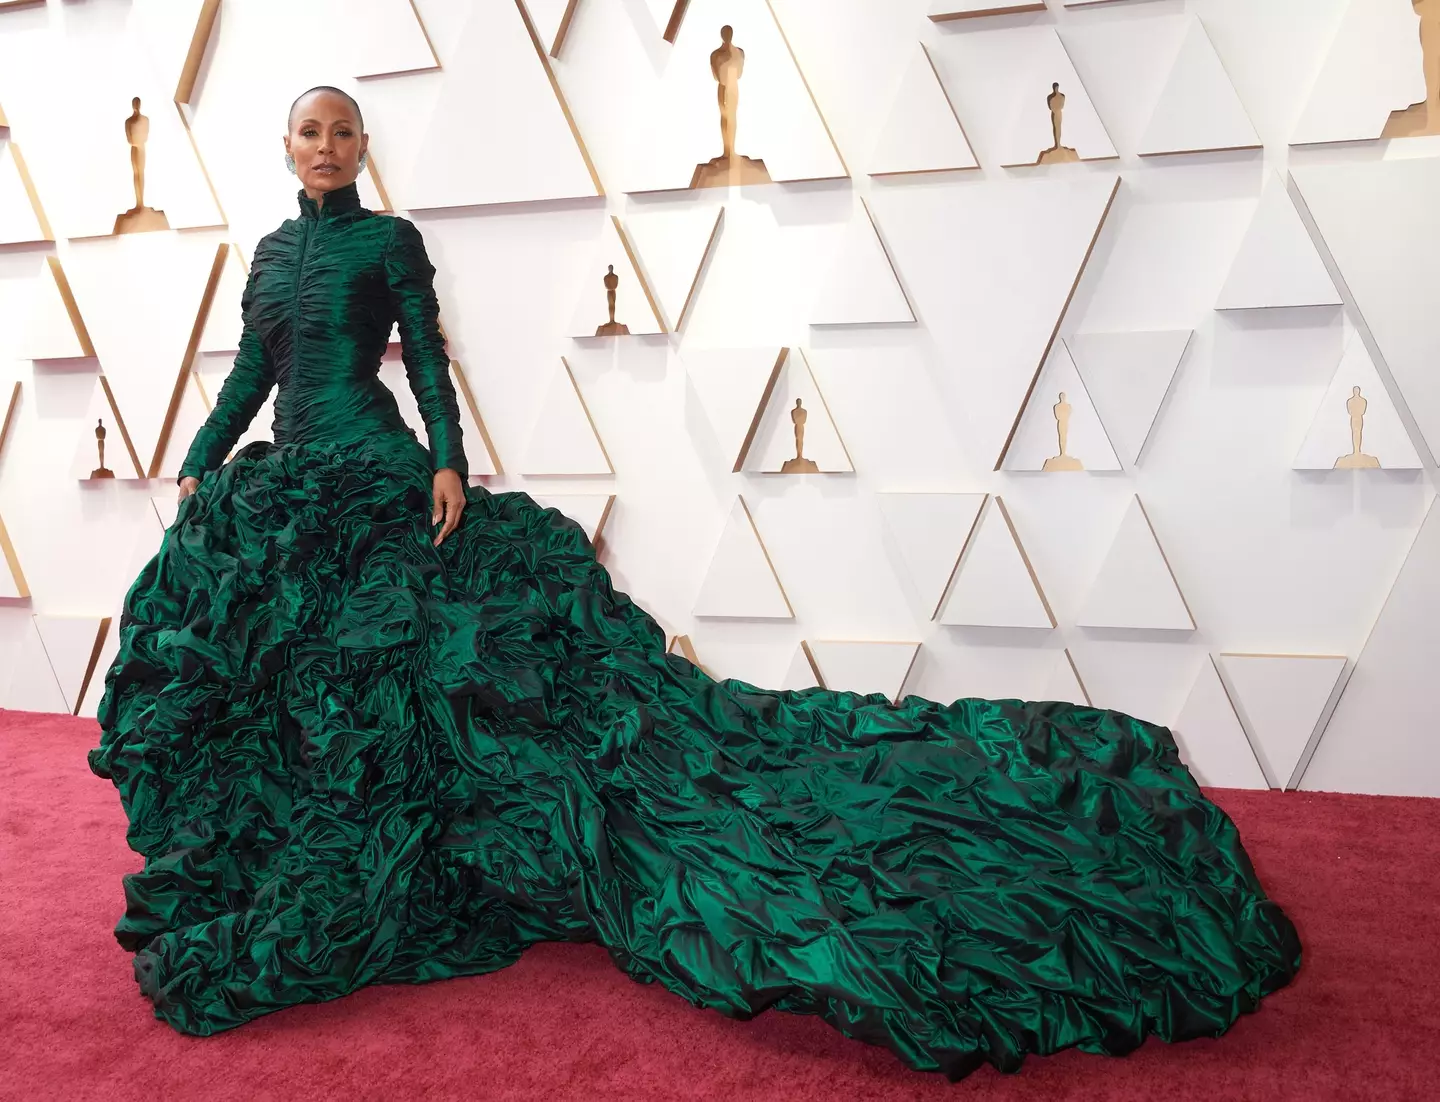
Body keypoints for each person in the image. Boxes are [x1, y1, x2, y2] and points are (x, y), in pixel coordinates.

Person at [88, 86, 1300, 1080]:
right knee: (263, 669)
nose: (328, 145)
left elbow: (428, 360)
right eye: (311, 130)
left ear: (365, 147)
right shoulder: (272, 252)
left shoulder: (387, 242)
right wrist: (201, 460)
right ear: (285, 145)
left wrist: (450, 461)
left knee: (431, 682)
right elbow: (255, 368)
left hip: (381, 472)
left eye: (345, 130)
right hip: (288, 480)